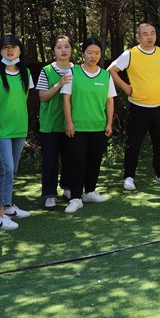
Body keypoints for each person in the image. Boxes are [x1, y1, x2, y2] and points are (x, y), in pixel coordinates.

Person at [108, 23, 160, 191]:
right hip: (138, 107)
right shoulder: (130, 54)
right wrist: (126, 88)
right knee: (133, 144)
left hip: (158, 106)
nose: (150, 37)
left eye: (152, 33)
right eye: (145, 34)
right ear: (138, 37)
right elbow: (111, 70)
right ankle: (129, 177)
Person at [0, 34, 34, 230]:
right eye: (5, 47)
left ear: (20, 50)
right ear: (0, 51)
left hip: (19, 128)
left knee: (13, 169)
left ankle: (9, 207)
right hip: (0, 130)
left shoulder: (25, 73)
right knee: (7, 169)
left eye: (13, 47)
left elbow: (23, 99)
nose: (9, 50)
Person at [61, 37, 116, 214]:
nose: (93, 56)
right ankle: (75, 198)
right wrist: (69, 122)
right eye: (90, 52)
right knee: (77, 161)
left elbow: (109, 101)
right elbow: (66, 99)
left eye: (97, 53)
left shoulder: (106, 75)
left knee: (94, 160)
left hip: (98, 126)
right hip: (77, 127)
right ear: (83, 53)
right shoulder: (72, 72)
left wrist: (109, 123)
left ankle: (90, 191)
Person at [35, 34, 74, 209]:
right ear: (53, 51)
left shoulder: (77, 70)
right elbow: (42, 96)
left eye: (66, 46)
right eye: (59, 47)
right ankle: (49, 194)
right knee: (50, 161)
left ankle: (67, 188)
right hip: (50, 124)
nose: (63, 50)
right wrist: (59, 84)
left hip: (70, 123)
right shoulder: (46, 70)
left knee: (70, 158)